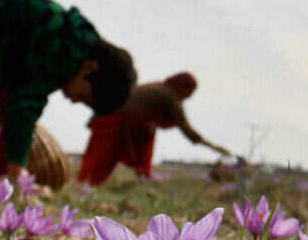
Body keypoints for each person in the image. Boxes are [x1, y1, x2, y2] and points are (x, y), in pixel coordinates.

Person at [0, 0, 137, 182]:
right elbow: (26, 106)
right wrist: (17, 168)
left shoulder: (74, 45)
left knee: (10, 105)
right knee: (6, 101)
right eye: (82, 97)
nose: (73, 101)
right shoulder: (61, 51)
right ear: (89, 68)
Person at [78, 72, 232, 186]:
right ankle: (87, 184)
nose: (189, 96)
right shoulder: (169, 97)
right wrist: (215, 147)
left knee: (102, 152)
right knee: (103, 155)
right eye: (189, 91)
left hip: (114, 117)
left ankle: (88, 182)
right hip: (117, 120)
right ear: (182, 86)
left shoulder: (160, 88)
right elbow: (187, 129)